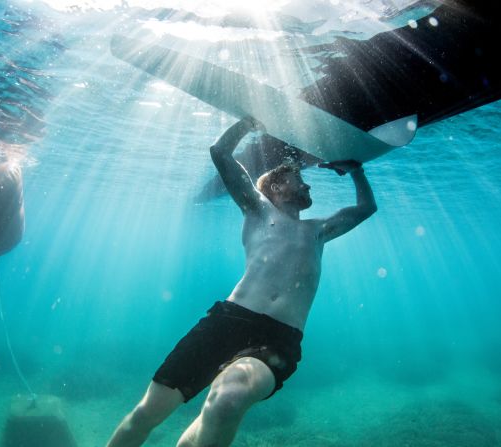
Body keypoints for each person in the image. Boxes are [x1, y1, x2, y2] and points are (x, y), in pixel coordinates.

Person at [107, 117, 377, 447]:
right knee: (146, 414)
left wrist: (356, 171)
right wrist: (246, 122)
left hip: (279, 339)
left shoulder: (318, 230)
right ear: (275, 187)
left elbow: (367, 207)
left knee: (227, 401)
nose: (307, 186)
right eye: (298, 179)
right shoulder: (258, 210)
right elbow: (220, 152)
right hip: (227, 322)